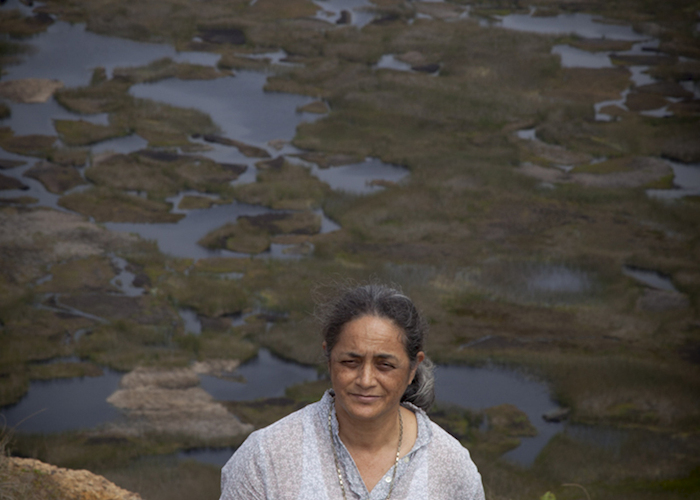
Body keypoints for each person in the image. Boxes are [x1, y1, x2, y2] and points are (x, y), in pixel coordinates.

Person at [220, 283, 485, 500]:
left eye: (385, 365)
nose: (366, 380)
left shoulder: (451, 467)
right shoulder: (266, 458)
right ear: (329, 358)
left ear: (413, 368)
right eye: (350, 362)